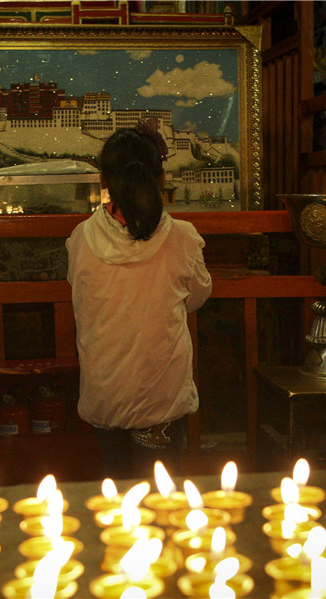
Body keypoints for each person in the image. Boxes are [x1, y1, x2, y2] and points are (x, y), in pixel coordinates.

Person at [66, 124, 212, 480]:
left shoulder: (80, 238)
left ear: (103, 179)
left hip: (104, 393)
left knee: (116, 492)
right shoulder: (183, 238)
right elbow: (197, 297)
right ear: (161, 178)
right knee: (160, 498)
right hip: (159, 395)